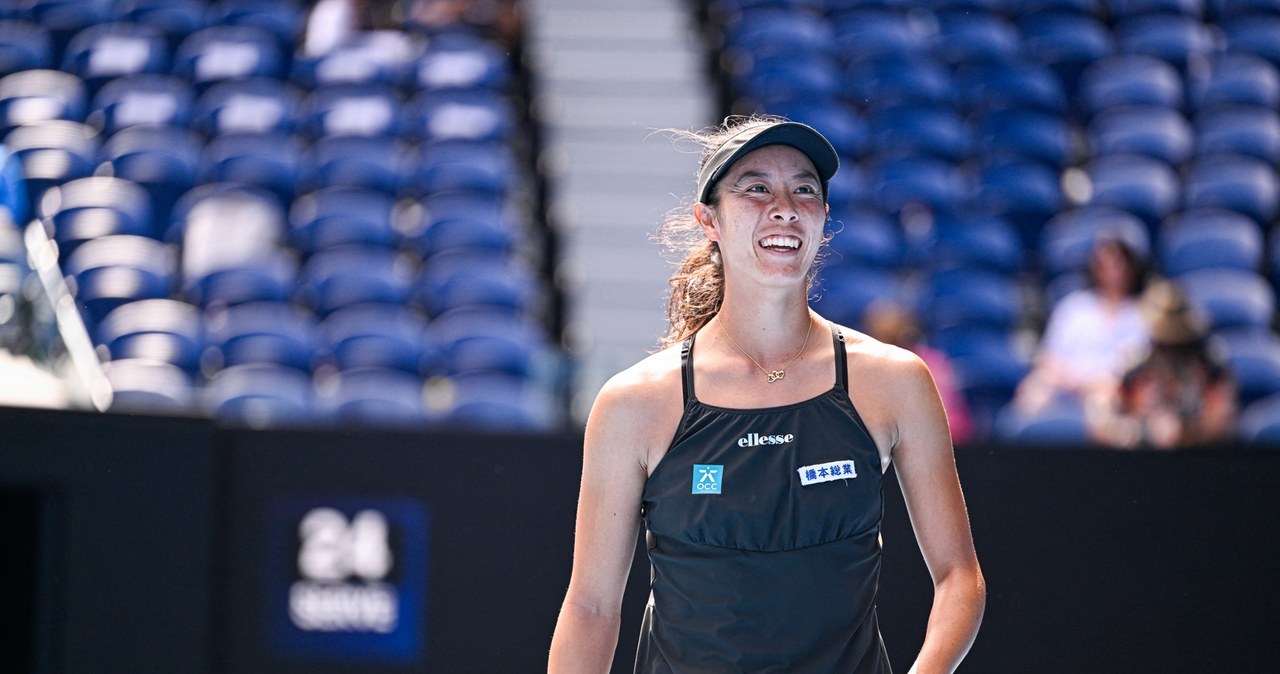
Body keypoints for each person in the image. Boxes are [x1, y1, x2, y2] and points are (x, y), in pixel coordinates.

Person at [548, 117, 985, 673]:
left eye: (804, 189)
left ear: (824, 218)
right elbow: (590, 607)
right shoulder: (634, 402)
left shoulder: (895, 381)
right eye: (756, 188)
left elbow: (959, 577)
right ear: (709, 219)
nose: (784, 206)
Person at [1088, 279, 1238, 449]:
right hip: (1145, 456)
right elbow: (1102, 410)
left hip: (1201, 456)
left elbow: (1221, 420)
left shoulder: (1210, 359)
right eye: (1164, 343)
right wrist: (1138, 430)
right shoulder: (1138, 358)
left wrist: (1185, 430)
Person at [1014, 235, 1149, 415]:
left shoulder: (1140, 314)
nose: (1112, 272)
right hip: (1065, 383)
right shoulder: (1073, 307)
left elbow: (1133, 368)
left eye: (1118, 265)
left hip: (1110, 390)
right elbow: (1048, 358)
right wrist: (1071, 382)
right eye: (1105, 265)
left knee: (1104, 404)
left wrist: (1095, 385)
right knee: (1032, 391)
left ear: (1131, 268)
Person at [864, 300, 974, 447]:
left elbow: (948, 418)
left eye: (895, 335)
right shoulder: (864, 367)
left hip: (935, 445)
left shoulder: (930, 363)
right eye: (884, 336)